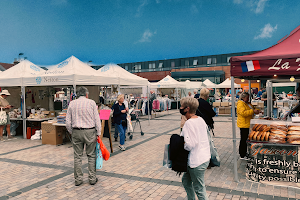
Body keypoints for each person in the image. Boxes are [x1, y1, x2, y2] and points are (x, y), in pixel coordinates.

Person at [66, 87, 101, 186]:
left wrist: (71, 131)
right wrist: (98, 133)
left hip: (76, 131)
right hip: (90, 131)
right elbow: (96, 119)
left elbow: (68, 121)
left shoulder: (72, 104)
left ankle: (78, 179)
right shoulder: (92, 103)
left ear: (77, 94)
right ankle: (92, 178)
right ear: (86, 94)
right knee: (91, 155)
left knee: (77, 156)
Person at [180, 97, 210, 200]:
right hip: (204, 157)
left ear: (187, 108)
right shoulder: (200, 119)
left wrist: (181, 142)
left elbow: (189, 145)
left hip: (196, 161)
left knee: (200, 189)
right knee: (186, 181)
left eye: (182, 106)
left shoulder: (189, 124)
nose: (180, 108)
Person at [236, 92, 259, 159]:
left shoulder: (247, 103)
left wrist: (257, 110)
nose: (248, 99)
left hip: (248, 123)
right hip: (243, 124)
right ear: (243, 97)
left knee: (246, 139)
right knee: (243, 139)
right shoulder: (240, 104)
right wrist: (253, 111)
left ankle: (245, 152)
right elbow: (243, 113)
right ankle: (242, 154)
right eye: (247, 98)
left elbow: (252, 108)